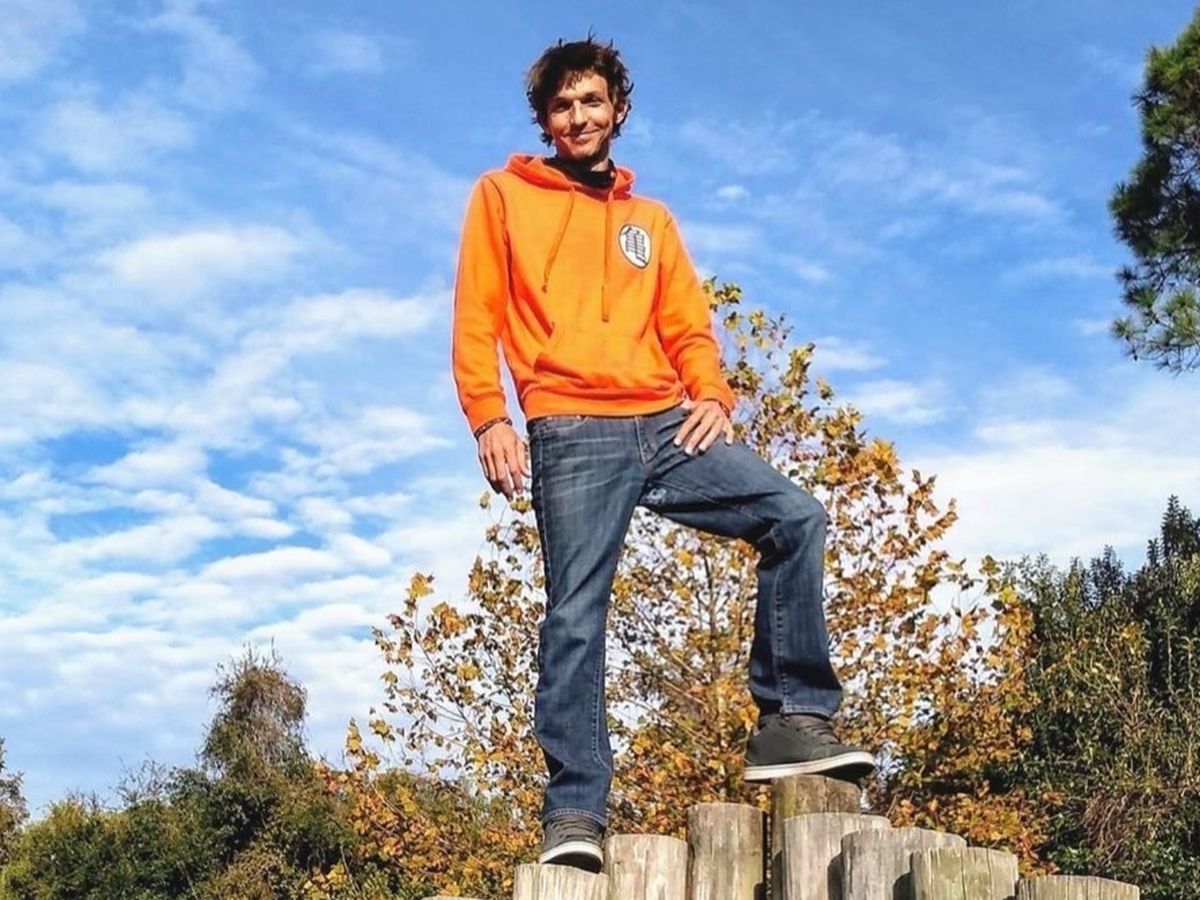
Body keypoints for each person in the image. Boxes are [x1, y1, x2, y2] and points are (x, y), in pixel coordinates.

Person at [451, 35, 875, 873]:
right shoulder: (502, 195)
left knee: (794, 517)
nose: (579, 117)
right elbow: (476, 311)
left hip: (666, 422)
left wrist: (711, 393)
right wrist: (489, 417)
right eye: (563, 106)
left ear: (617, 110)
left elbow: (687, 323)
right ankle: (575, 810)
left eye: (592, 101)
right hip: (572, 426)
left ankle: (792, 719)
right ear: (545, 119)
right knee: (577, 611)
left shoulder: (651, 221)